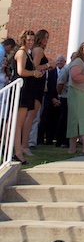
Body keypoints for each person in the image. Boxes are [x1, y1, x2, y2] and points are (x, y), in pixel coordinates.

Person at [12, 29, 42, 163]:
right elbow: (20, 71)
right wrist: (34, 73)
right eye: (28, 39)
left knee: (17, 123)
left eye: (32, 40)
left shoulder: (28, 54)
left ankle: (15, 150)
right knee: (18, 123)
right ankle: (18, 152)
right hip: (21, 90)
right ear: (23, 39)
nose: (30, 42)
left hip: (27, 89)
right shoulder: (22, 53)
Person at [22, 29, 52, 155]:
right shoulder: (38, 50)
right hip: (36, 85)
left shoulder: (36, 50)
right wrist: (48, 65)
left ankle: (24, 143)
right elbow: (35, 66)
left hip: (37, 84)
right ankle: (25, 144)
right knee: (31, 115)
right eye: (45, 37)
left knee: (31, 115)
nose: (47, 40)